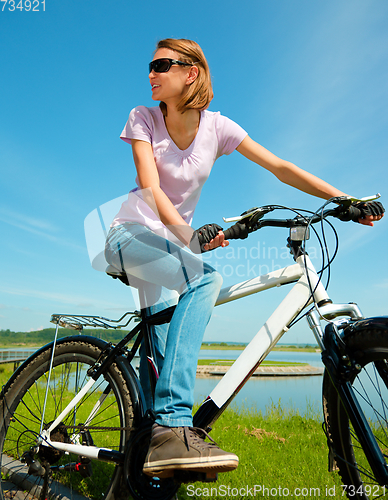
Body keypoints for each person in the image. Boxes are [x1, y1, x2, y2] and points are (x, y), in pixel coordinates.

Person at [104, 38, 384, 478]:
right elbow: (151, 185)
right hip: (129, 236)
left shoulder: (218, 128)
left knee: (157, 362)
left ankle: (145, 462)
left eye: (161, 65)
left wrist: (343, 198)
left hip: (173, 246)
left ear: (191, 72)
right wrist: (189, 236)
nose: (152, 73)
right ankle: (175, 425)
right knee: (204, 281)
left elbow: (279, 166)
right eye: (152, 66)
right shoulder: (143, 118)